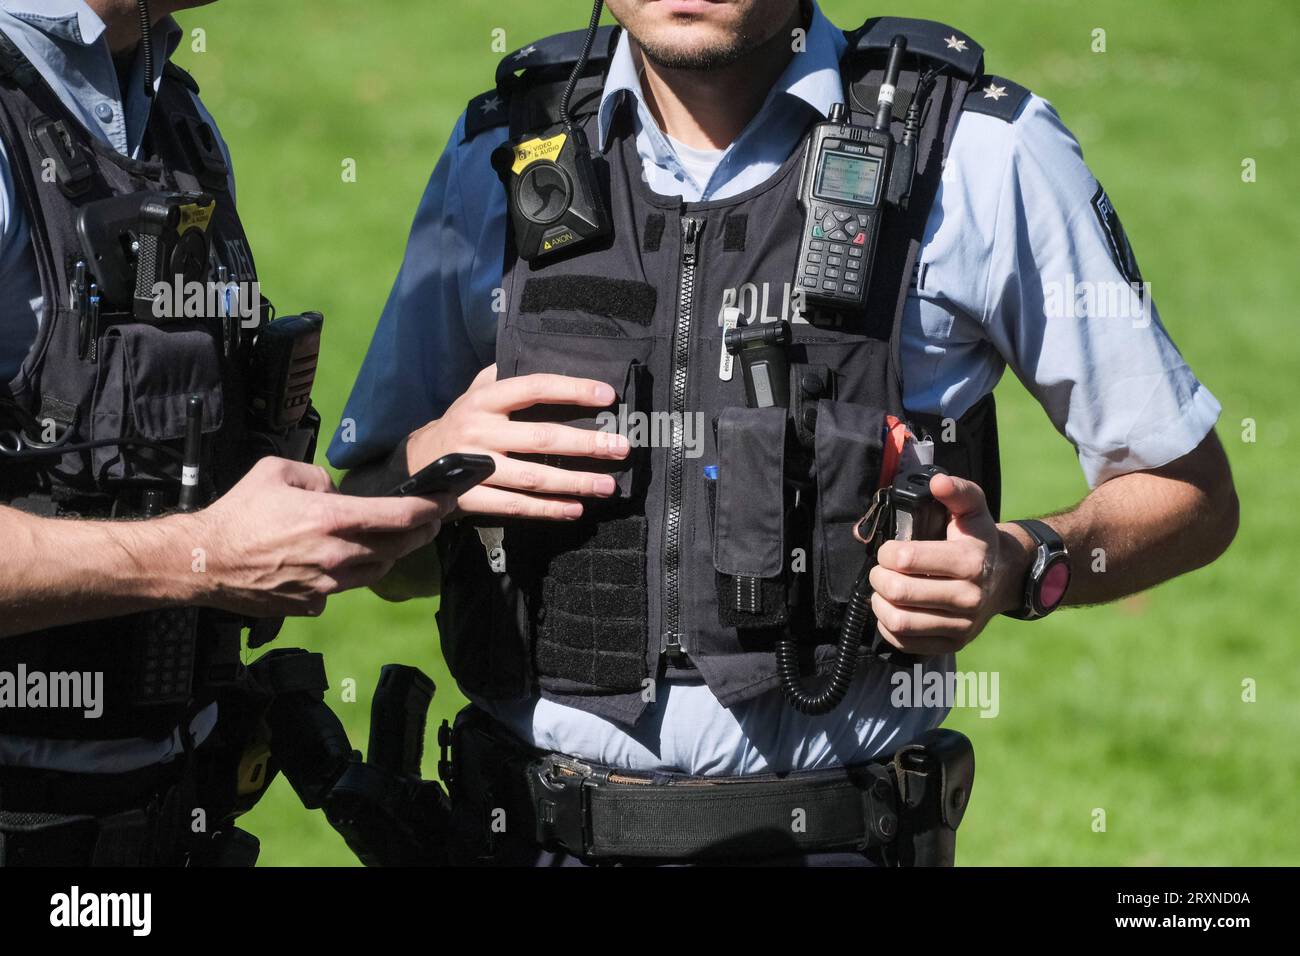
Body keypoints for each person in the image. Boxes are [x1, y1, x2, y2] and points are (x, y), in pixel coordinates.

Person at [334, 0, 1238, 865]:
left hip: (833, 838)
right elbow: (375, 553)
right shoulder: (497, 150)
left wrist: (1024, 566)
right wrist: (427, 478)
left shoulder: (975, 151)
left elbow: (1190, 494)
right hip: (522, 838)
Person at [0, 0, 452, 866]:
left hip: (178, 820)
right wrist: (202, 555)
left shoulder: (172, 115)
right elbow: (205, 539)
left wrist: (411, 474)